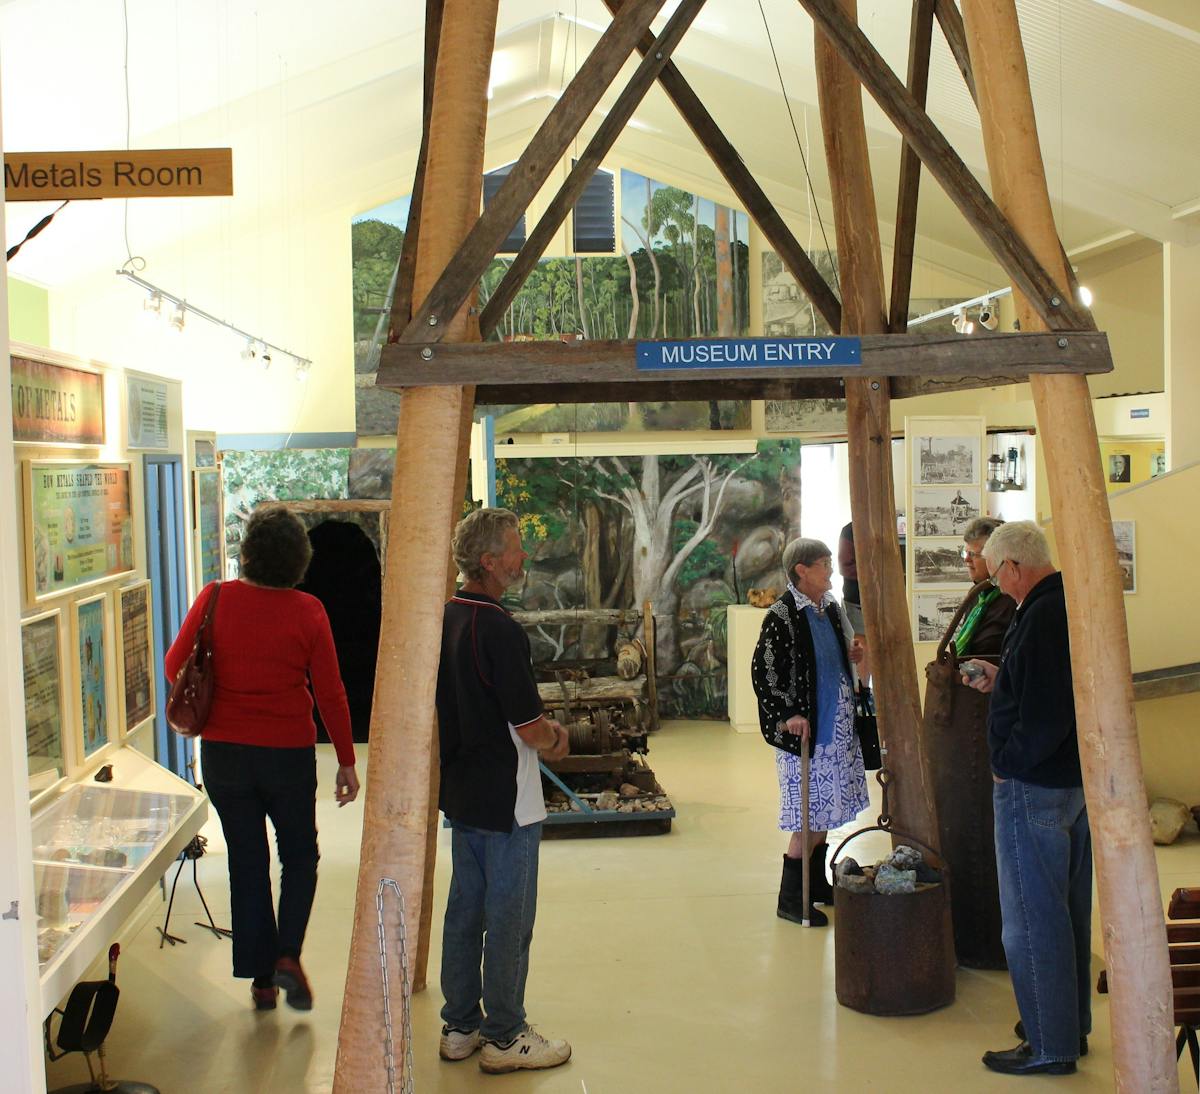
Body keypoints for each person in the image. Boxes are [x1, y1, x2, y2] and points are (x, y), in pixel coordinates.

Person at [165, 508, 360, 1012]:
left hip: (225, 756)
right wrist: (345, 758)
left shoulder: (215, 598)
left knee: (247, 861)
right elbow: (332, 693)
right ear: (300, 558)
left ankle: (261, 981)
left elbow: (173, 665)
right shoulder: (309, 611)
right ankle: (288, 955)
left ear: (247, 551)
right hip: (287, 755)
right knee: (299, 857)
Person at [435, 507, 572, 1074]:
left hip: (463, 792)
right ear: (489, 562)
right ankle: (505, 1034)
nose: (523, 556)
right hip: (509, 799)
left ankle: (460, 1025)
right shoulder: (500, 628)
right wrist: (558, 737)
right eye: (515, 548)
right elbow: (528, 727)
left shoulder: (446, 617)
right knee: (510, 916)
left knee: (466, 909)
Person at [961, 521, 1091, 1076]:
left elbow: (1044, 715)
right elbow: (1047, 689)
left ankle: (1050, 1045)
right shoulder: (1062, 604)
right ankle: (1065, 1022)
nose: (995, 586)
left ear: (1014, 566)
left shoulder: (1039, 615)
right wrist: (1001, 675)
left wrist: (1004, 765)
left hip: (1033, 786)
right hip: (1068, 785)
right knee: (1065, 910)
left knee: (1032, 918)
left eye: (995, 576)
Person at [751, 537, 868, 928]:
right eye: (823, 564)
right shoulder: (782, 616)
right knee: (808, 815)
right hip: (807, 734)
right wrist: (788, 714)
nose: (830, 570)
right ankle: (791, 899)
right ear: (801, 570)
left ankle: (814, 886)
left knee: (825, 812)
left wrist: (849, 654)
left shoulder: (829, 609)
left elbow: (831, 657)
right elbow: (765, 672)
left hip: (835, 728)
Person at [952, 517, 1015, 659]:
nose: (966, 559)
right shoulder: (977, 594)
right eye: (965, 552)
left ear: (997, 557)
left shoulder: (1013, 598)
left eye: (973, 554)